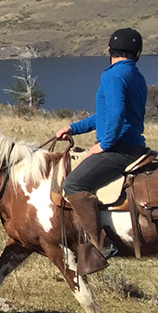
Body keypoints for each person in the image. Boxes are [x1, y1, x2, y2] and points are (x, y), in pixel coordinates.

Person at [53, 28, 147, 276]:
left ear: (109, 51)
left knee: (73, 184)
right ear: (137, 53)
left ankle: (103, 247)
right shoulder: (135, 75)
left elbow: (115, 115)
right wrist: (73, 128)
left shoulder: (113, 76)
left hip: (119, 149)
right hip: (134, 145)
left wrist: (104, 144)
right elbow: (105, 114)